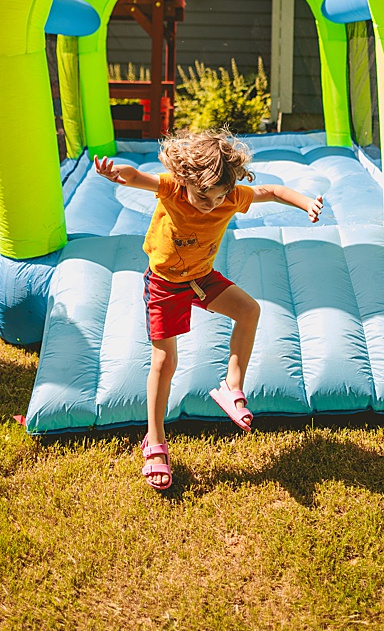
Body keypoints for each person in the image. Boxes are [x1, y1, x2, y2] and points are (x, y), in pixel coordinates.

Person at [93, 129, 323, 491]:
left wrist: (305, 202)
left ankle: (231, 387)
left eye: (218, 197)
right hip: (165, 283)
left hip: (201, 277)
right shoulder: (172, 188)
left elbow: (274, 191)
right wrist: (116, 173)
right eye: (203, 195)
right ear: (185, 180)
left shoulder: (229, 196)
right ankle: (154, 442)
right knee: (164, 362)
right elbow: (138, 177)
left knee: (249, 311)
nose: (211, 204)